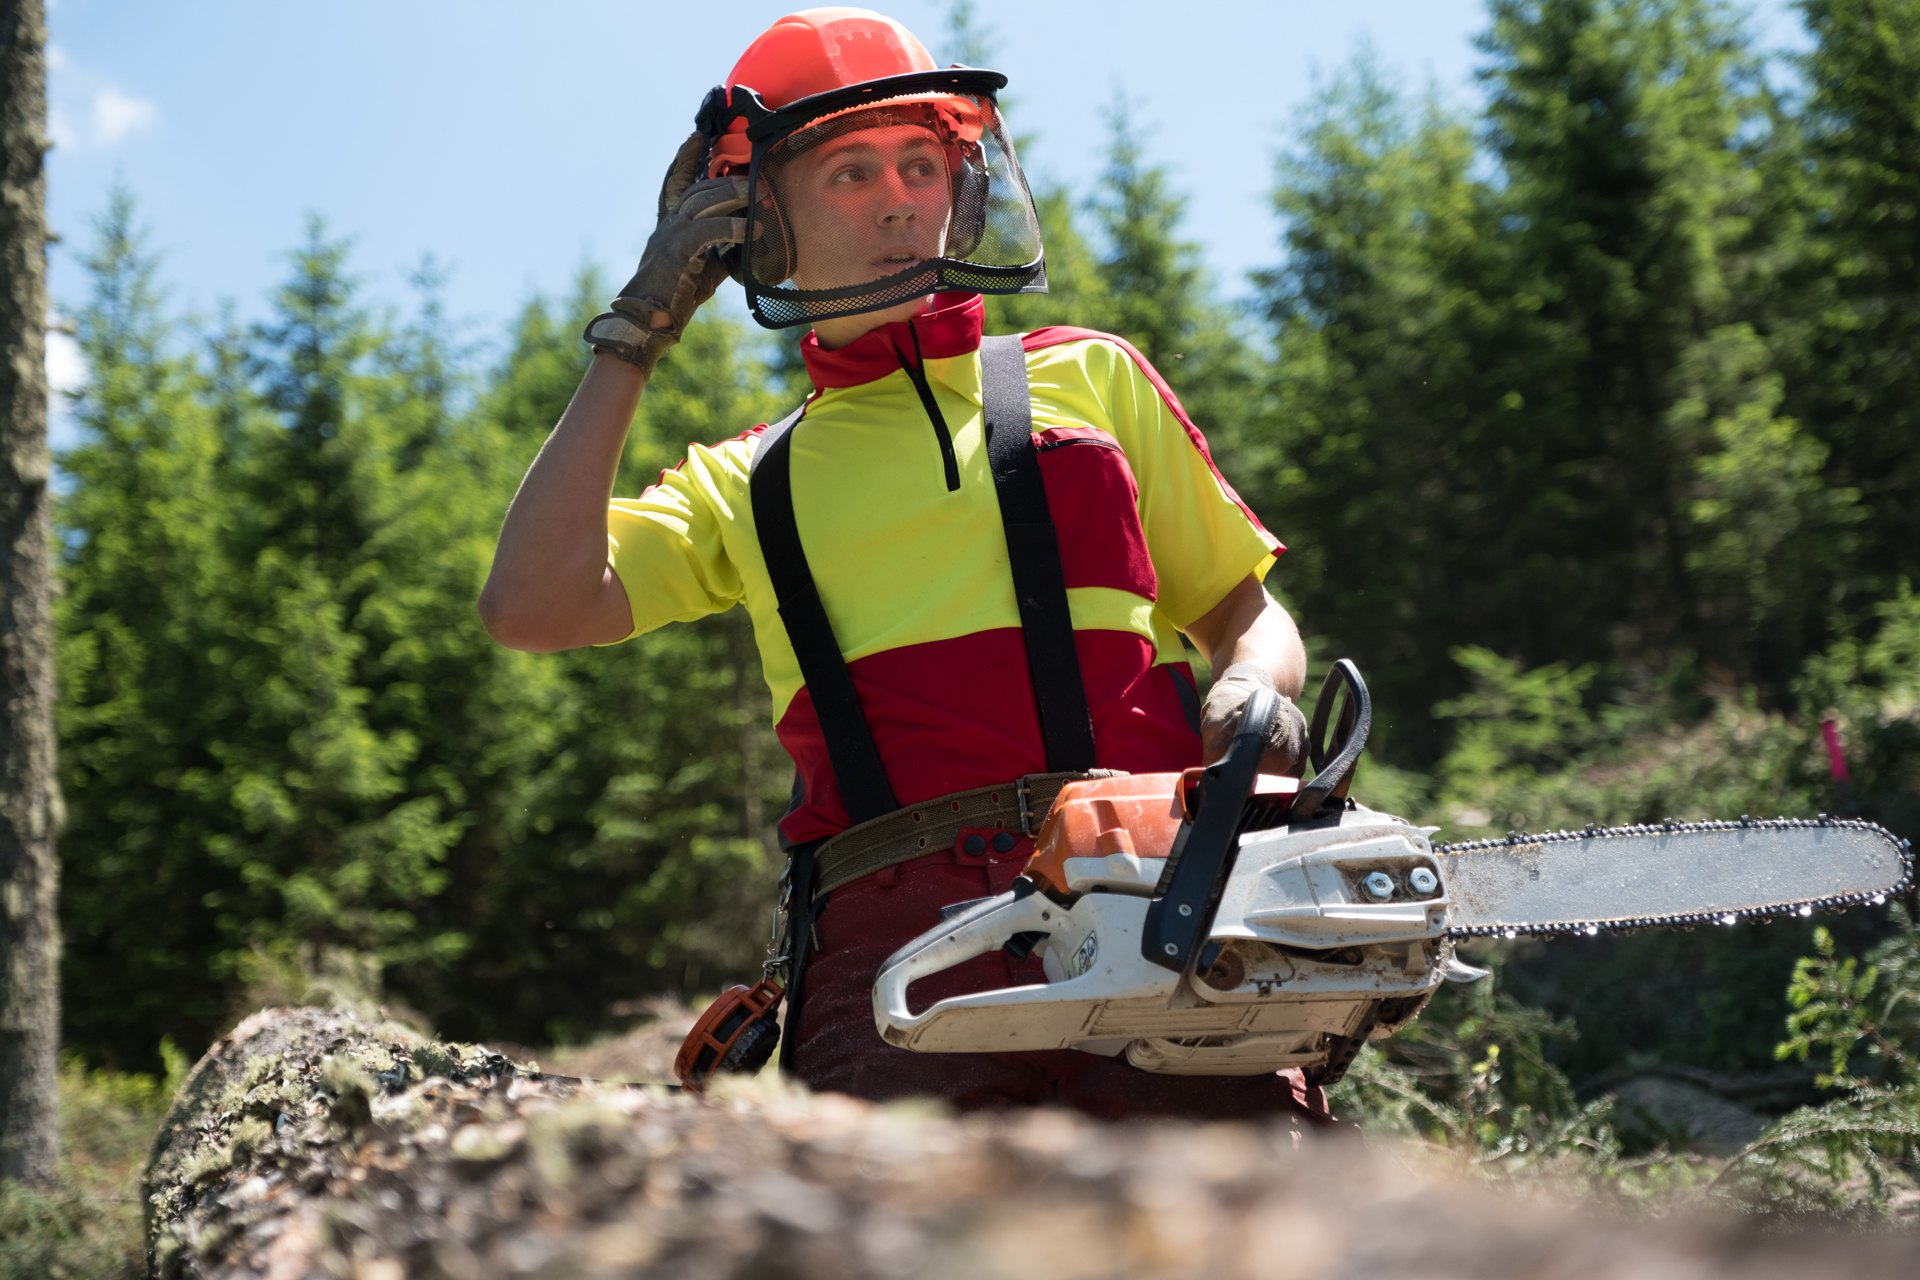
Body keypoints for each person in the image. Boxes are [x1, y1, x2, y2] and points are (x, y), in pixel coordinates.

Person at [479, 7, 1330, 1128]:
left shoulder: (1096, 380)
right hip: (898, 941)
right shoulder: (747, 477)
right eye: (849, 171)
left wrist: (1253, 686)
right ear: (753, 220)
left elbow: (1244, 613)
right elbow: (531, 604)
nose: (897, 197)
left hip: (1158, 884)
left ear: (962, 181)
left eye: (921, 161)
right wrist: (638, 324)